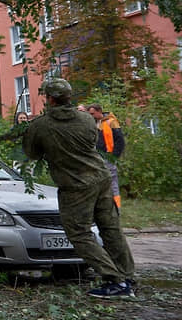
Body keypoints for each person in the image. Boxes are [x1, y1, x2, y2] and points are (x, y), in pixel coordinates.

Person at [22, 78, 135, 298]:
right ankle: (128, 276)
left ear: (49, 99)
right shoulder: (85, 118)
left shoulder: (41, 125)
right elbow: (91, 141)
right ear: (69, 97)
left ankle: (115, 281)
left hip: (75, 186)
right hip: (101, 178)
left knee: (79, 233)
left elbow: (32, 153)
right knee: (110, 229)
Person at [86, 103, 126, 209]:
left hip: (108, 157)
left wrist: (114, 157)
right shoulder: (95, 123)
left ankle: (116, 207)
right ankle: (102, 207)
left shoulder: (111, 122)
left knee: (112, 183)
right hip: (97, 157)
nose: (91, 116)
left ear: (99, 111)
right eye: (89, 114)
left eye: (92, 113)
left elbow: (120, 141)